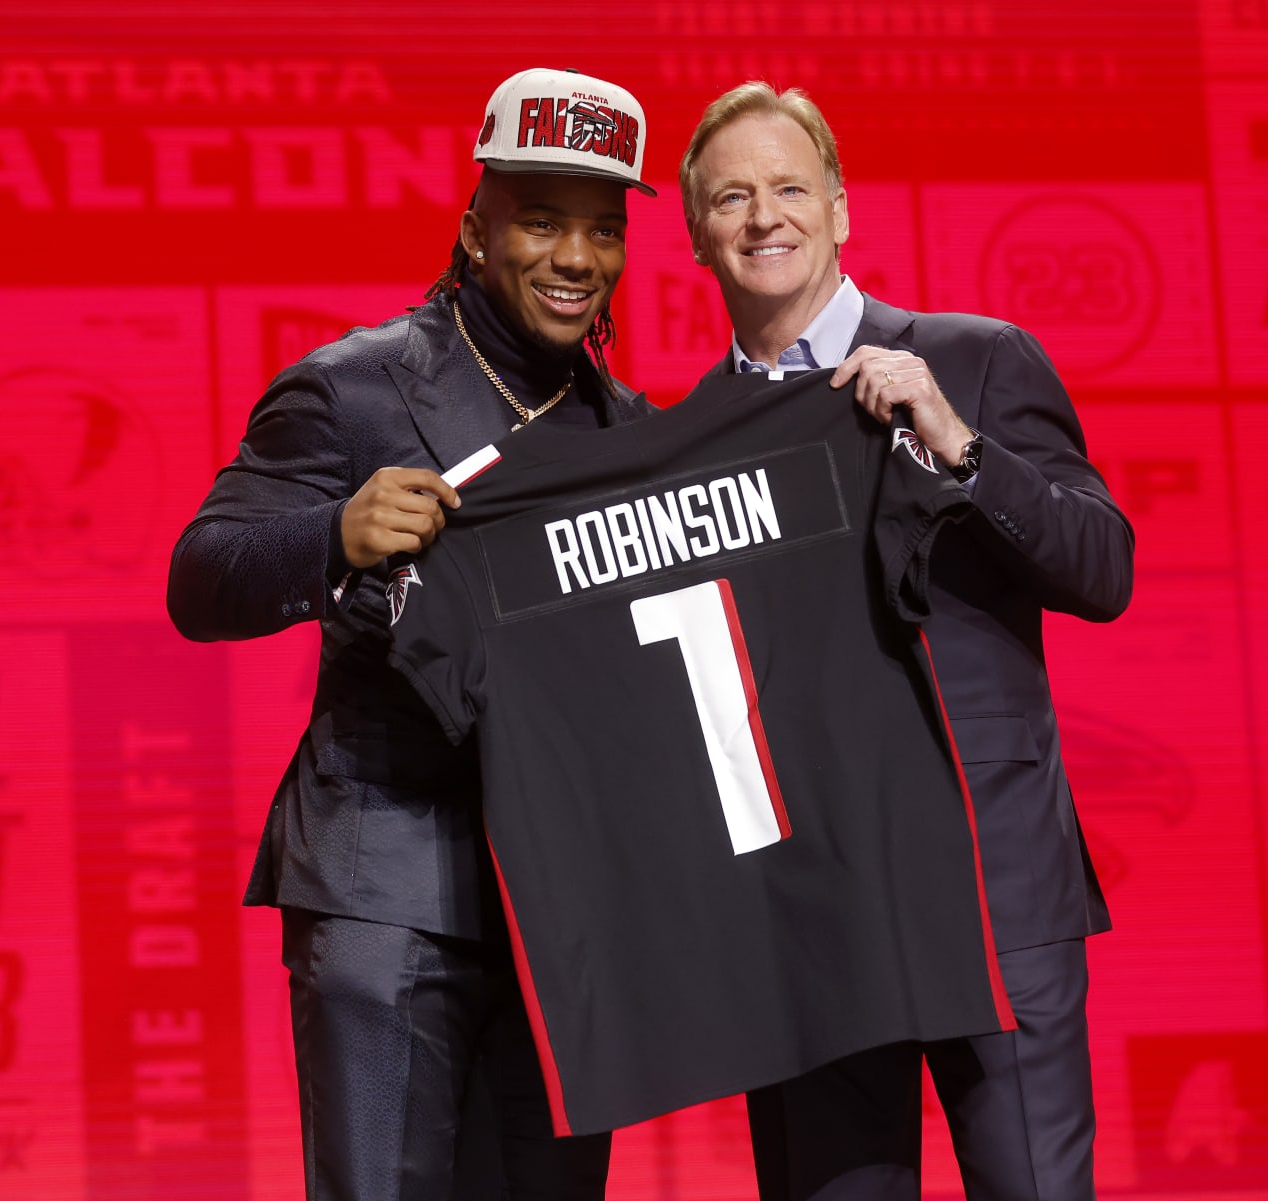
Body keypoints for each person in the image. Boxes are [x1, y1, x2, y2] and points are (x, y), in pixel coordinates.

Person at [167, 67, 657, 1201]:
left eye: (602, 230)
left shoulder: (628, 431)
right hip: (386, 895)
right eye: (542, 222)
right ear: (475, 228)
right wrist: (333, 533)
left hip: (560, 923)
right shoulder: (355, 390)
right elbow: (202, 578)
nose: (576, 259)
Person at [678, 82, 1134, 1200]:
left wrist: (959, 443)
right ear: (696, 236)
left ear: (840, 207)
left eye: (789, 187)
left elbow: (1102, 567)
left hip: (994, 890)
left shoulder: (972, 361)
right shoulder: (684, 436)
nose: (763, 217)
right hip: (811, 913)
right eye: (731, 197)